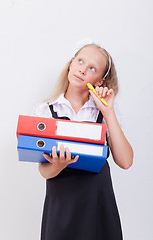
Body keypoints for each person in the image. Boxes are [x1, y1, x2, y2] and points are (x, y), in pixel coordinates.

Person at [32, 43, 133, 240]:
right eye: (80, 61)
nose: (83, 69)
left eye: (92, 68)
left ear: (100, 80)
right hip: (61, 207)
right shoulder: (45, 111)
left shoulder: (105, 112)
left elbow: (126, 161)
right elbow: (43, 170)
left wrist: (108, 111)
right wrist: (57, 166)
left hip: (98, 205)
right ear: (71, 64)